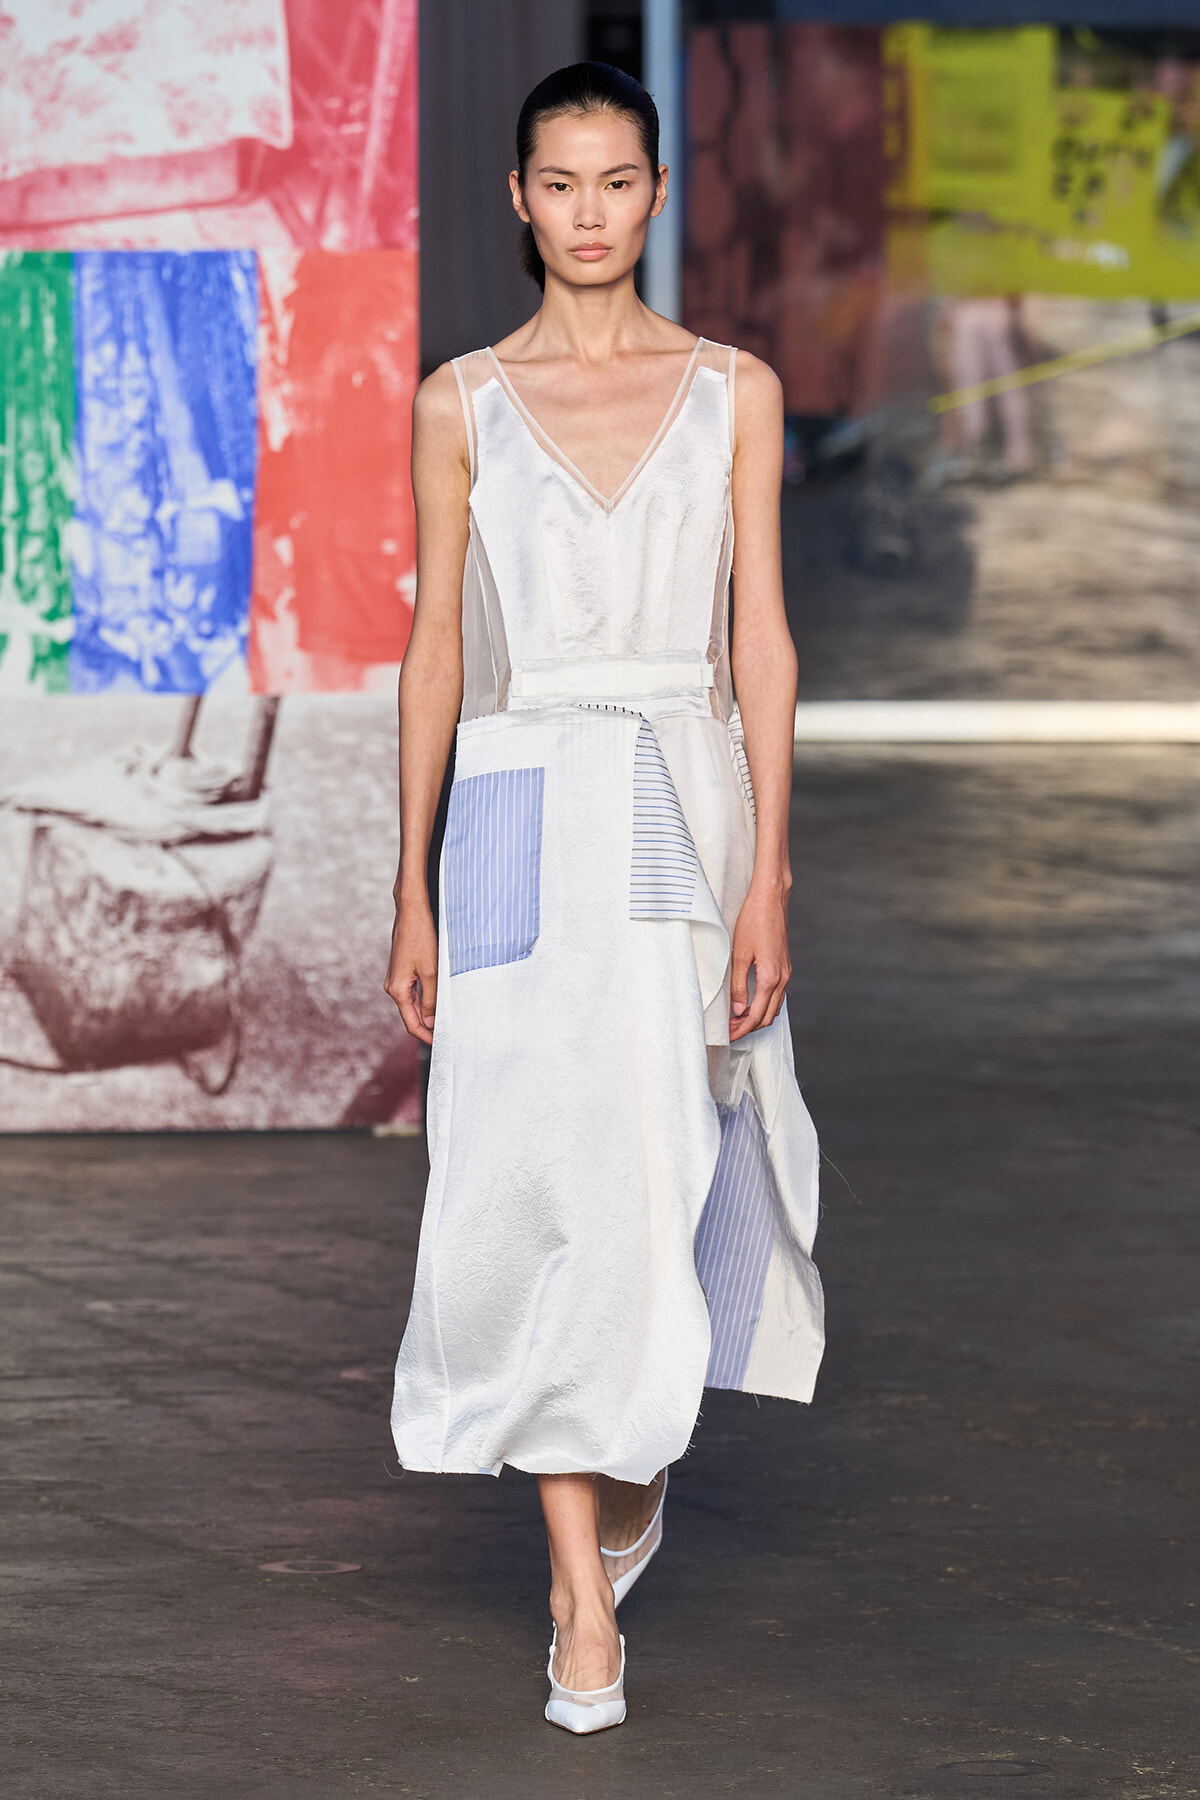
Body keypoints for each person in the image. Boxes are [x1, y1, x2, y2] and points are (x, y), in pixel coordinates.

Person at [385, 62, 824, 1735]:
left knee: (663, 1164)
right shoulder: (460, 402)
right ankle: (580, 1596)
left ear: (654, 195)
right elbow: (437, 646)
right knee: (517, 1178)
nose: (587, 211)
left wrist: (769, 871)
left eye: (615, 181)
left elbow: (760, 643)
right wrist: (409, 885)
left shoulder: (736, 391)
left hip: (676, 804)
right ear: (519, 199)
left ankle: (630, 1463)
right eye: (556, 182)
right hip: (509, 800)